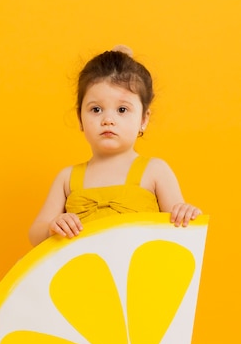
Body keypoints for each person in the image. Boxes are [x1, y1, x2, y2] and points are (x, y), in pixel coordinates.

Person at [28, 46, 202, 247]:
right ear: (80, 118)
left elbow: (180, 232)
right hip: (82, 276)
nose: (108, 119)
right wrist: (52, 227)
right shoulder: (67, 178)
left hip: (139, 275)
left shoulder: (155, 171)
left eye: (122, 109)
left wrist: (185, 213)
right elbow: (34, 234)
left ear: (144, 119)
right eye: (96, 109)